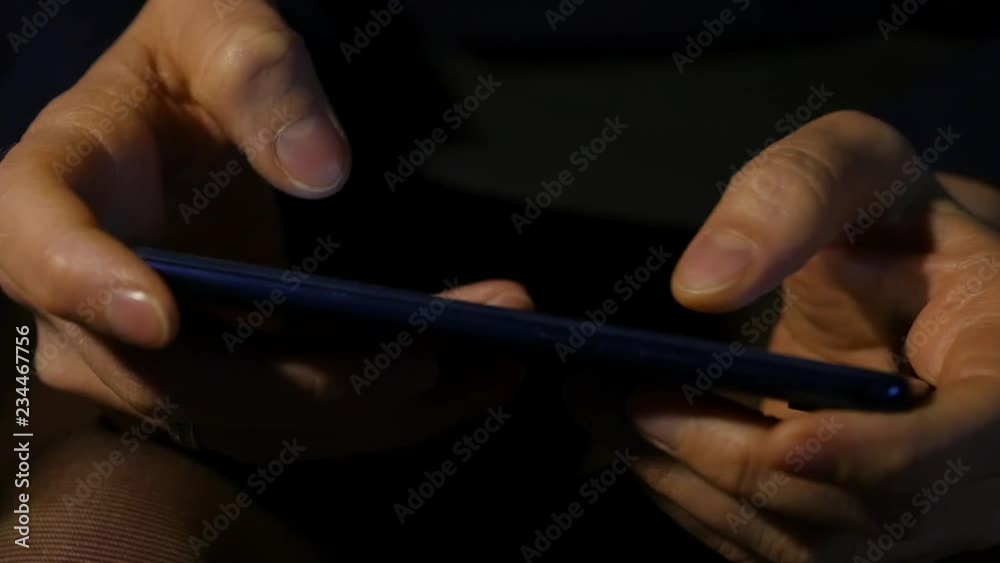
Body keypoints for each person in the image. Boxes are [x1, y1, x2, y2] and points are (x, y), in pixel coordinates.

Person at [1, 0, 998, 561]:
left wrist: (976, 173)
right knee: (91, 531)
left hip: (892, 199)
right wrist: (116, 83)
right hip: (324, 187)